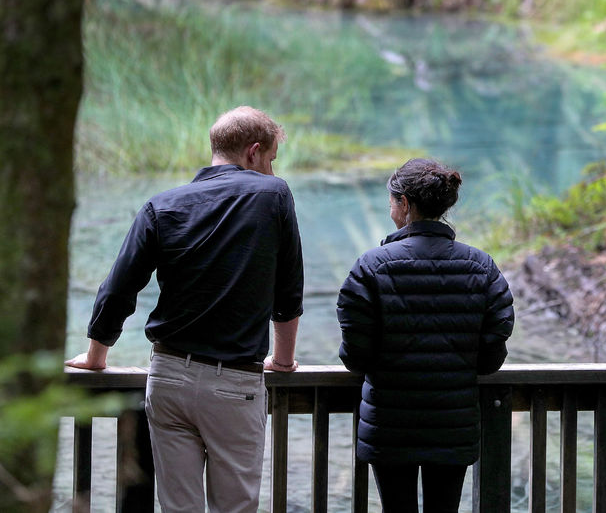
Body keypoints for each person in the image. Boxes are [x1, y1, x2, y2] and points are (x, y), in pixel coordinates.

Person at [66, 106, 304, 513]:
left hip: (169, 377)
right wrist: (282, 361)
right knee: (235, 507)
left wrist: (95, 356)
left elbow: (120, 286)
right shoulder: (274, 194)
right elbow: (288, 289)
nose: (270, 170)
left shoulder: (162, 205)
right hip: (235, 383)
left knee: (178, 507)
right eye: (270, 161)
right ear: (254, 152)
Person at [337, 158, 515, 513]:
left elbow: (355, 355)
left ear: (404, 204)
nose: (391, 210)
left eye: (391, 203)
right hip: (454, 421)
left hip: (389, 423)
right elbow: (493, 352)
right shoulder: (482, 266)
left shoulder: (371, 267)